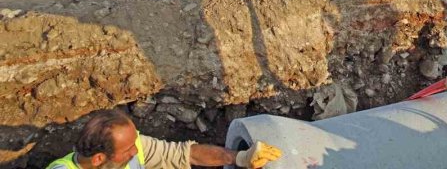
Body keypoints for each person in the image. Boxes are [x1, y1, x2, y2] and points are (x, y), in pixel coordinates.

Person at [45, 109, 282, 169]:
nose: (135, 152)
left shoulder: (133, 147)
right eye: (127, 150)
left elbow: (185, 154)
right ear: (98, 159)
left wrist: (238, 157)